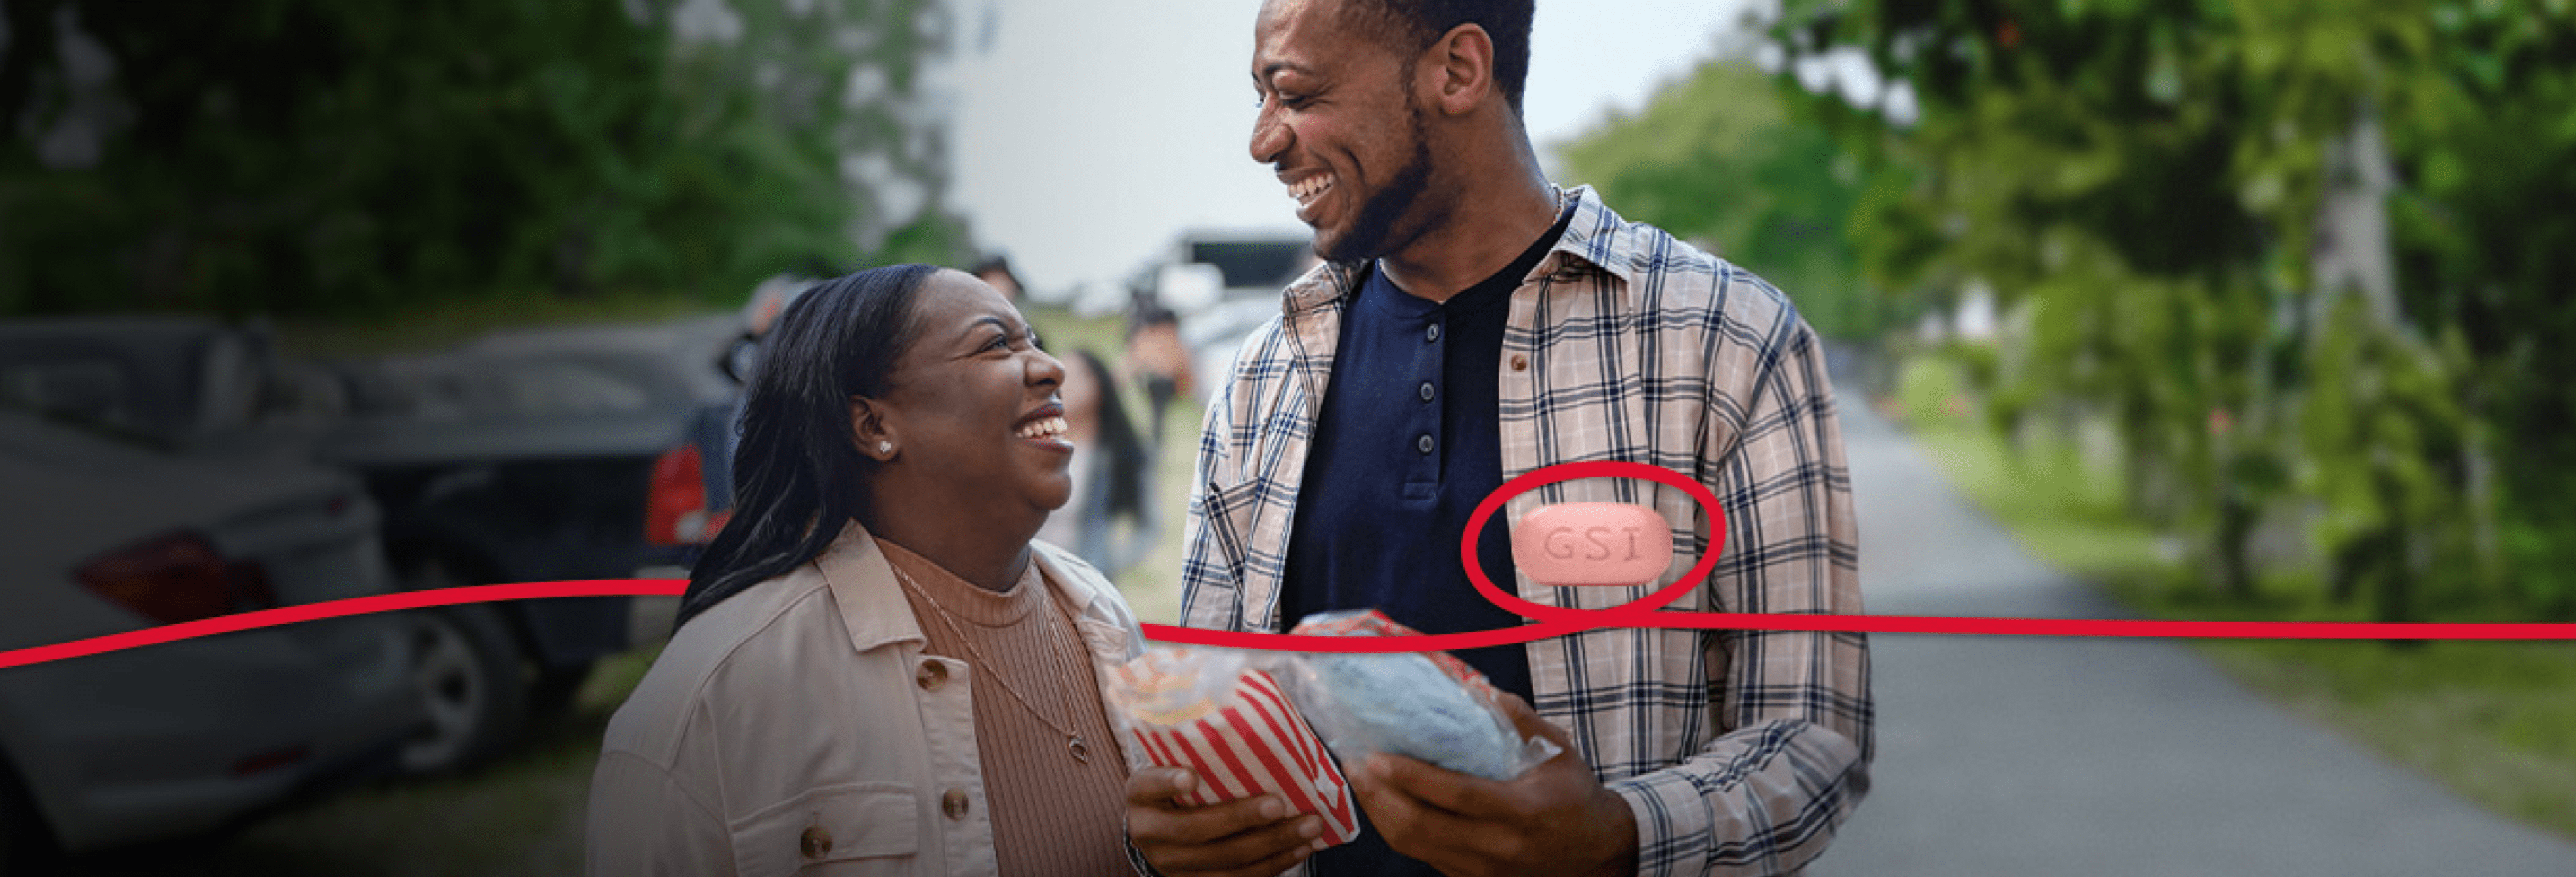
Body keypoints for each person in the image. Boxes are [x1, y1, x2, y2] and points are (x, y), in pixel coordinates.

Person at [1125, 2, 1873, 876]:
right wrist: (1170, 835)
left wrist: (1619, 834)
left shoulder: (1725, 337)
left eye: (1295, 94)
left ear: (1457, 71)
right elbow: (1207, 712)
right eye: (1258, 98)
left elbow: (1811, 734)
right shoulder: (1260, 379)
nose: (1263, 141)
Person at [588, 265, 1151, 876]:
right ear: (874, 425)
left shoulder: (1098, 609)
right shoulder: (716, 693)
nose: (1052, 367)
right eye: (996, 344)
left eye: (1034, 340)